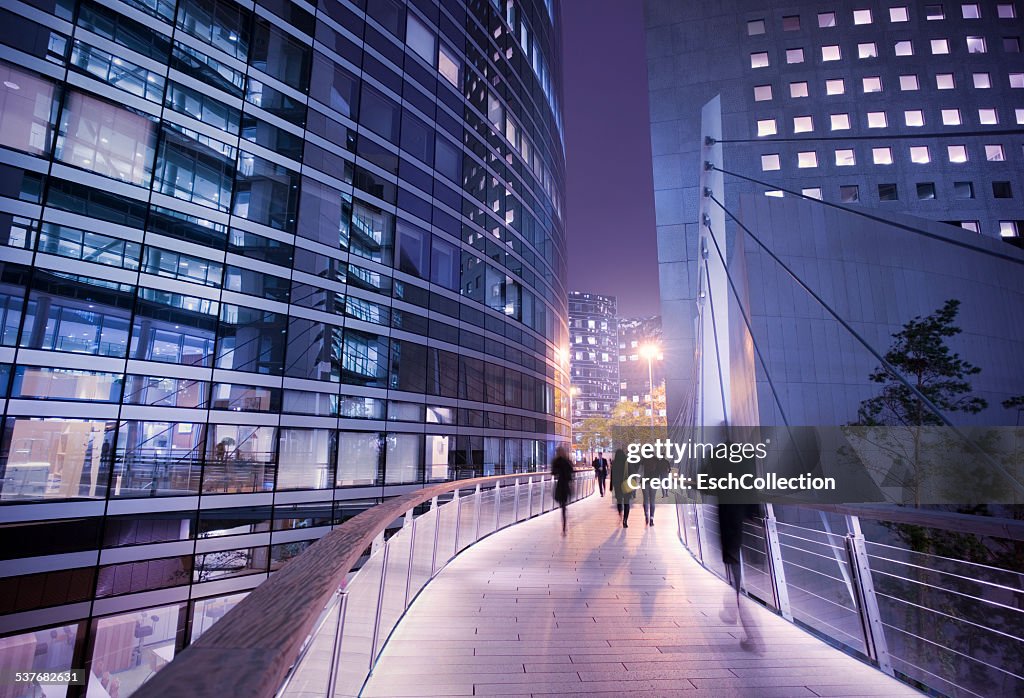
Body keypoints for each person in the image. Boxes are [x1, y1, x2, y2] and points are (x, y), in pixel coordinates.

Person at [551, 446, 574, 535]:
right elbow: (571, 472)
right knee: (564, 506)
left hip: (560, 486)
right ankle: (564, 526)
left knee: (562, 506)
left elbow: (553, 472)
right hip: (566, 485)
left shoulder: (556, 461)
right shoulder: (567, 461)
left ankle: (564, 526)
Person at [610, 448, 635, 528]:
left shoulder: (614, 463)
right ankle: (625, 520)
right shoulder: (627, 462)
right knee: (627, 502)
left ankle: (620, 514)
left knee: (619, 501)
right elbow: (633, 473)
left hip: (618, 485)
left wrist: (611, 486)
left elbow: (612, 475)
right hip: (626, 485)